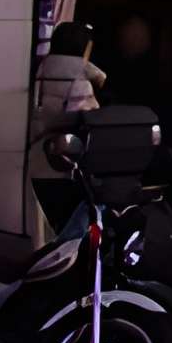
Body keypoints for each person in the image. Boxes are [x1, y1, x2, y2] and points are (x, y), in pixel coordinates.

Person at [27, 21, 105, 239]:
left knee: (43, 229)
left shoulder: (38, 71)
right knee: (67, 230)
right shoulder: (79, 82)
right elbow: (91, 119)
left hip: (35, 160)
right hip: (65, 163)